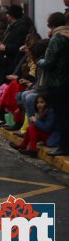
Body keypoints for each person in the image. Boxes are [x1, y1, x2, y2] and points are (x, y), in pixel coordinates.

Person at [39, 12, 69, 156]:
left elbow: (50, 63)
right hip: (66, 80)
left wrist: (40, 61)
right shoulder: (67, 35)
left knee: (61, 115)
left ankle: (63, 146)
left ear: (52, 24)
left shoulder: (57, 39)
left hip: (57, 82)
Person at [10, 93, 55, 158]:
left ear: (47, 103)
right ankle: (23, 146)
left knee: (32, 127)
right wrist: (36, 120)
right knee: (30, 128)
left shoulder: (50, 112)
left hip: (50, 137)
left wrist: (36, 121)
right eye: (38, 102)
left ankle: (32, 149)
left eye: (42, 102)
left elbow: (47, 128)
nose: (39, 104)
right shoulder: (41, 111)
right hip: (44, 135)